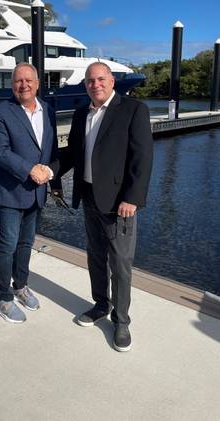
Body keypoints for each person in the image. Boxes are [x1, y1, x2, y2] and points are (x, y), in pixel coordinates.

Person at [52, 62, 153, 351]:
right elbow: (72, 153)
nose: (95, 84)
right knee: (95, 257)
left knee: (120, 264)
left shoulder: (134, 110)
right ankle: (100, 304)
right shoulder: (82, 113)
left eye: (100, 79)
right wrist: (51, 172)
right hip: (88, 197)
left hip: (119, 203)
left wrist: (132, 198)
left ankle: (121, 321)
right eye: (89, 80)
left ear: (111, 81)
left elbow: (142, 159)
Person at [0, 62, 59, 323]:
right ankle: (3, 297)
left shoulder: (48, 110)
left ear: (38, 83)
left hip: (37, 191)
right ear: (12, 84)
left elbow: (51, 151)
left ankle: (20, 286)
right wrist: (30, 170)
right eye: (18, 80)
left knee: (26, 243)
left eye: (29, 80)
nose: (24, 84)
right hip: (9, 190)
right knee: (8, 243)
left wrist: (50, 174)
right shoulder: (0, 112)